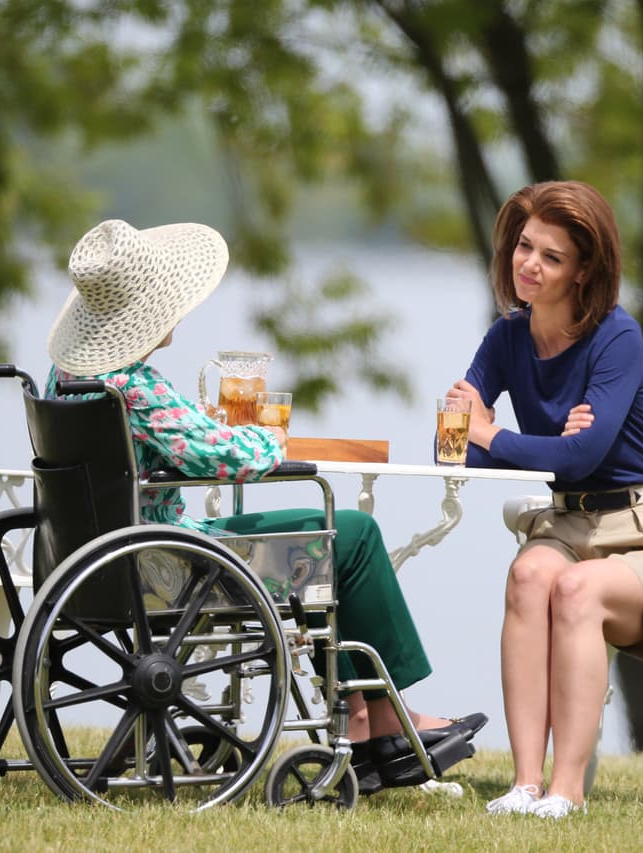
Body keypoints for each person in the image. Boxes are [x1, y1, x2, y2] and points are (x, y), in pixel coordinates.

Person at [45, 218, 485, 794]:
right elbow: (222, 455)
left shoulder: (66, 378)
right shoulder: (132, 385)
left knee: (325, 546)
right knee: (351, 534)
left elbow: (180, 445)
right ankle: (383, 721)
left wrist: (209, 430)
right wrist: (268, 438)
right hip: (167, 563)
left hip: (97, 556)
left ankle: (366, 716)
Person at [444, 181, 643, 819]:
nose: (530, 264)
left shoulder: (617, 337)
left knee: (575, 590)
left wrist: (494, 434)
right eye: (524, 247)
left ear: (584, 270)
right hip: (570, 525)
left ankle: (567, 790)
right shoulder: (506, 338)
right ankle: (524, 785)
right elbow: (454, 450)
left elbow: (580, 459)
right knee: (529, 574)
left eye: (552, 257)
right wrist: (521, 442)